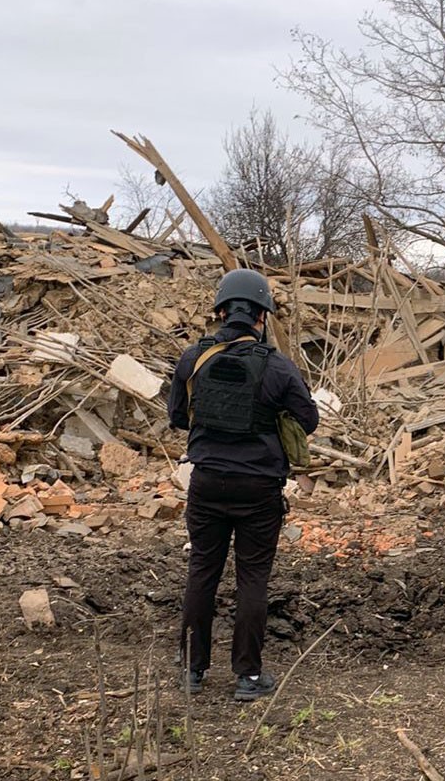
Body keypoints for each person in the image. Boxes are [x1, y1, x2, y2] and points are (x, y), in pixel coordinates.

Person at [166, 268, 319, 702]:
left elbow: (178, 417)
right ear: (262, 317)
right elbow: (309, 420)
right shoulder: (277, 366)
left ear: (219, 311)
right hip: (259, 489)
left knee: (202, 571)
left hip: (208, 483)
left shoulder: (192, 359)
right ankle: (247, 678)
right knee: (253, 578)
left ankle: (193, 671)